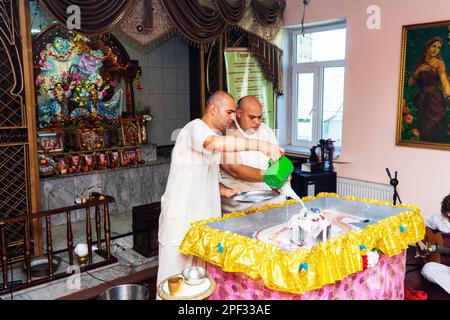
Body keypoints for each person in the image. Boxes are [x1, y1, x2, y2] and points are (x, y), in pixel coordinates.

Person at [156, 91, 284, 295]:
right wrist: (261, 146)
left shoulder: (215, 136)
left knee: (199, 288)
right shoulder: (194, 129)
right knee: (173, 288)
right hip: (181, 223)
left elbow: (204, 177)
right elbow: (215, 146)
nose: (232, 118)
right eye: (230, 112)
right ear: (213, 109)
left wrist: (227, 191)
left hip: (203, 227)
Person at [220, 95, 300, 213]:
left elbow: (278, 160)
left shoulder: (265, 130)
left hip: (272, 203)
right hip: (242, 209)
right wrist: (270, 177)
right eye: (252, 117)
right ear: (239, 113)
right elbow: (235, 169)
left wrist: (284, 174)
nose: (257, 122)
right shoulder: (227, 133)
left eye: (259, 117)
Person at [408, 36, 449, 143]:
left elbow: (444, 81)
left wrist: (448, 94)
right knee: (421, 131)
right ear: (427, 47)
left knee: (435, 132)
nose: (436, 49)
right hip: (421, 100)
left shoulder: (439, 63)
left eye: (439, 48)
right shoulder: (419, 64)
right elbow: (410, 84)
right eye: (433, 46)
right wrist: (418, 71)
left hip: (435, 100)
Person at [417, 194, 450, 294]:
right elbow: (417, 221)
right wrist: (419, 241)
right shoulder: (439, 220)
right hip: (445, 265)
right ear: (449, 213)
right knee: (427, 269)